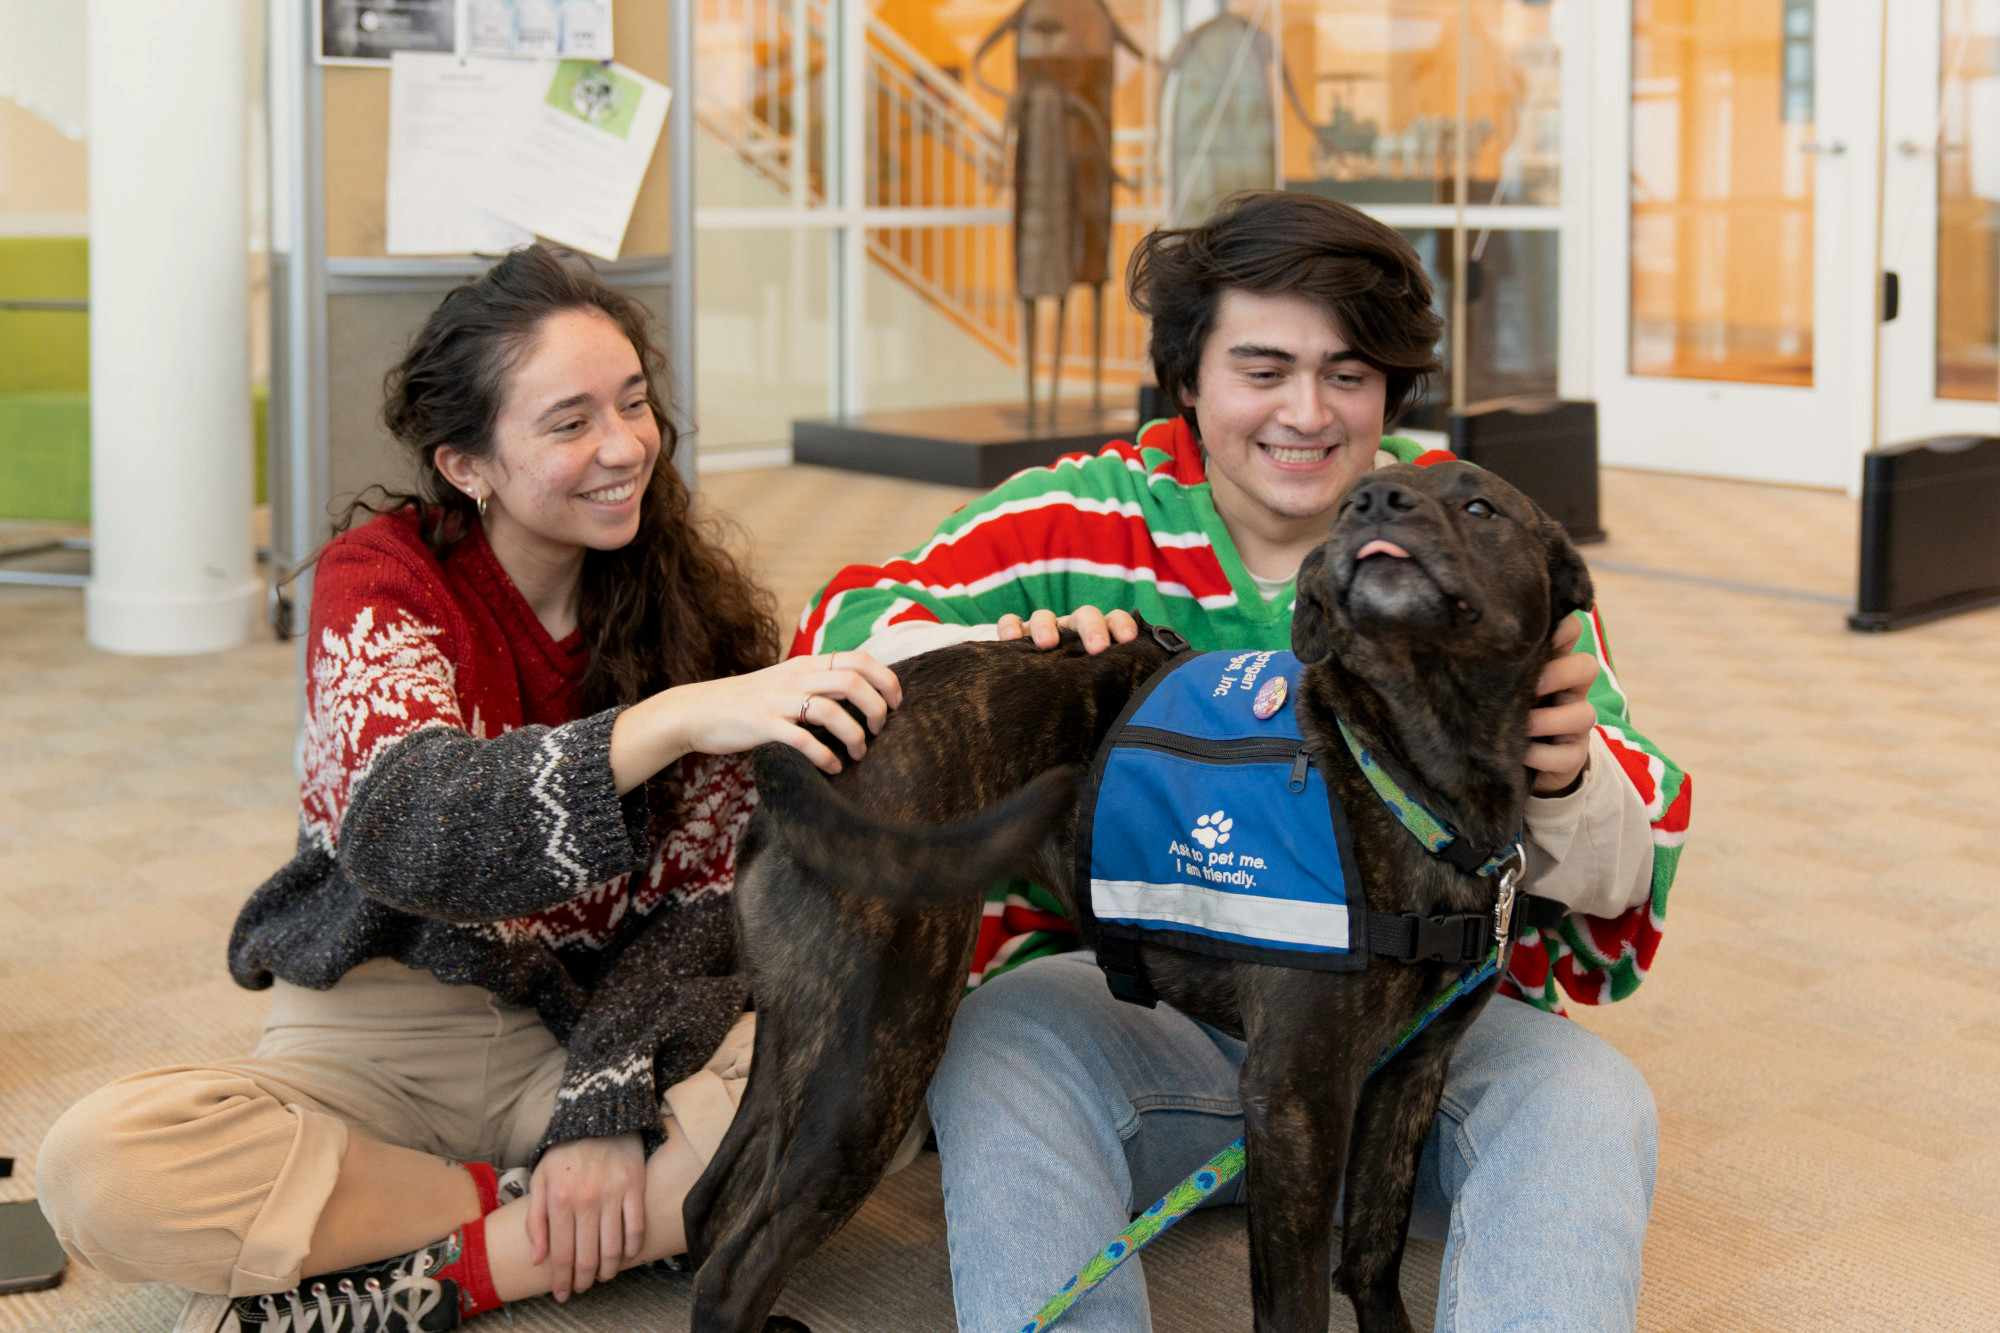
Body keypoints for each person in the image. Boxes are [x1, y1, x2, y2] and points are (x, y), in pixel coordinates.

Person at [795, 191, 1692, 1332]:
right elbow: (837, 639)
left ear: (1391, 392)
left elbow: (1622, 882)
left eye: (1347, 375)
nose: (1306, 413)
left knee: (1586, 1097)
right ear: (1188, 380)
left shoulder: (1474, 536)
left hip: (1399, 1046)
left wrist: (1563, 783)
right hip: (1145, 1015)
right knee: (997, 1042)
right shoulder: (1076, 519)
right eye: (1260, 369)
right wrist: (997, 656)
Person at [36, 245, 902, 1332]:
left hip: (583, 1023)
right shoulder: (379, 579)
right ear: (466, 464)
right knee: (99, 1170)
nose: (624, 446)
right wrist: (664, 723)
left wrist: (601, 1099)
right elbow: (411, 828)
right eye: (569, 421)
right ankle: (529, 1224)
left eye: (633, 402)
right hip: (385, 1024)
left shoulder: (698, 618)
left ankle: (423, 1278)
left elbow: (695, 921)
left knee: (864, 1080)